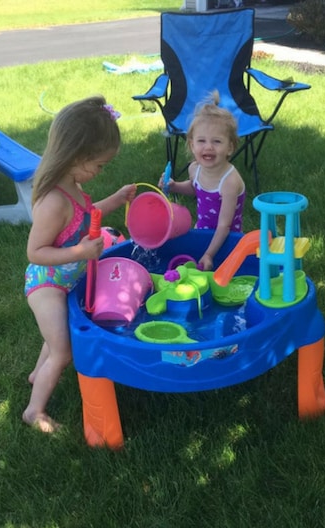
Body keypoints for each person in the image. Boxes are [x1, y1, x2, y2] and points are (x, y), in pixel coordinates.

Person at [23, 95, 136, 433]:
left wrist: (114, 199)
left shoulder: (72, 184)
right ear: (76, 156)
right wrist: (80, 253)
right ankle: (34, 411)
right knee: (63, 350)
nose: (100, 171)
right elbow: (36, 252)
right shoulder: (53, 201)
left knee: (54, 337)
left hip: (64, 280)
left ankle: (36, 375)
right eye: (99, 165)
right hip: (46, 284)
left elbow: (85, 216)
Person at [160, 91, 246, 271]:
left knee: (224, 274)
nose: (208, 147)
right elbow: (195, 188)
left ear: (230, 147)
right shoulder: (195, 169)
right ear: (192, 145)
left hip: (228, 238)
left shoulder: (230, 181)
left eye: (216, 141)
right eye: (201, 141)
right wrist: (174, 186)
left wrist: (209, 254)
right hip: (202, 229)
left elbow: (224, 225)